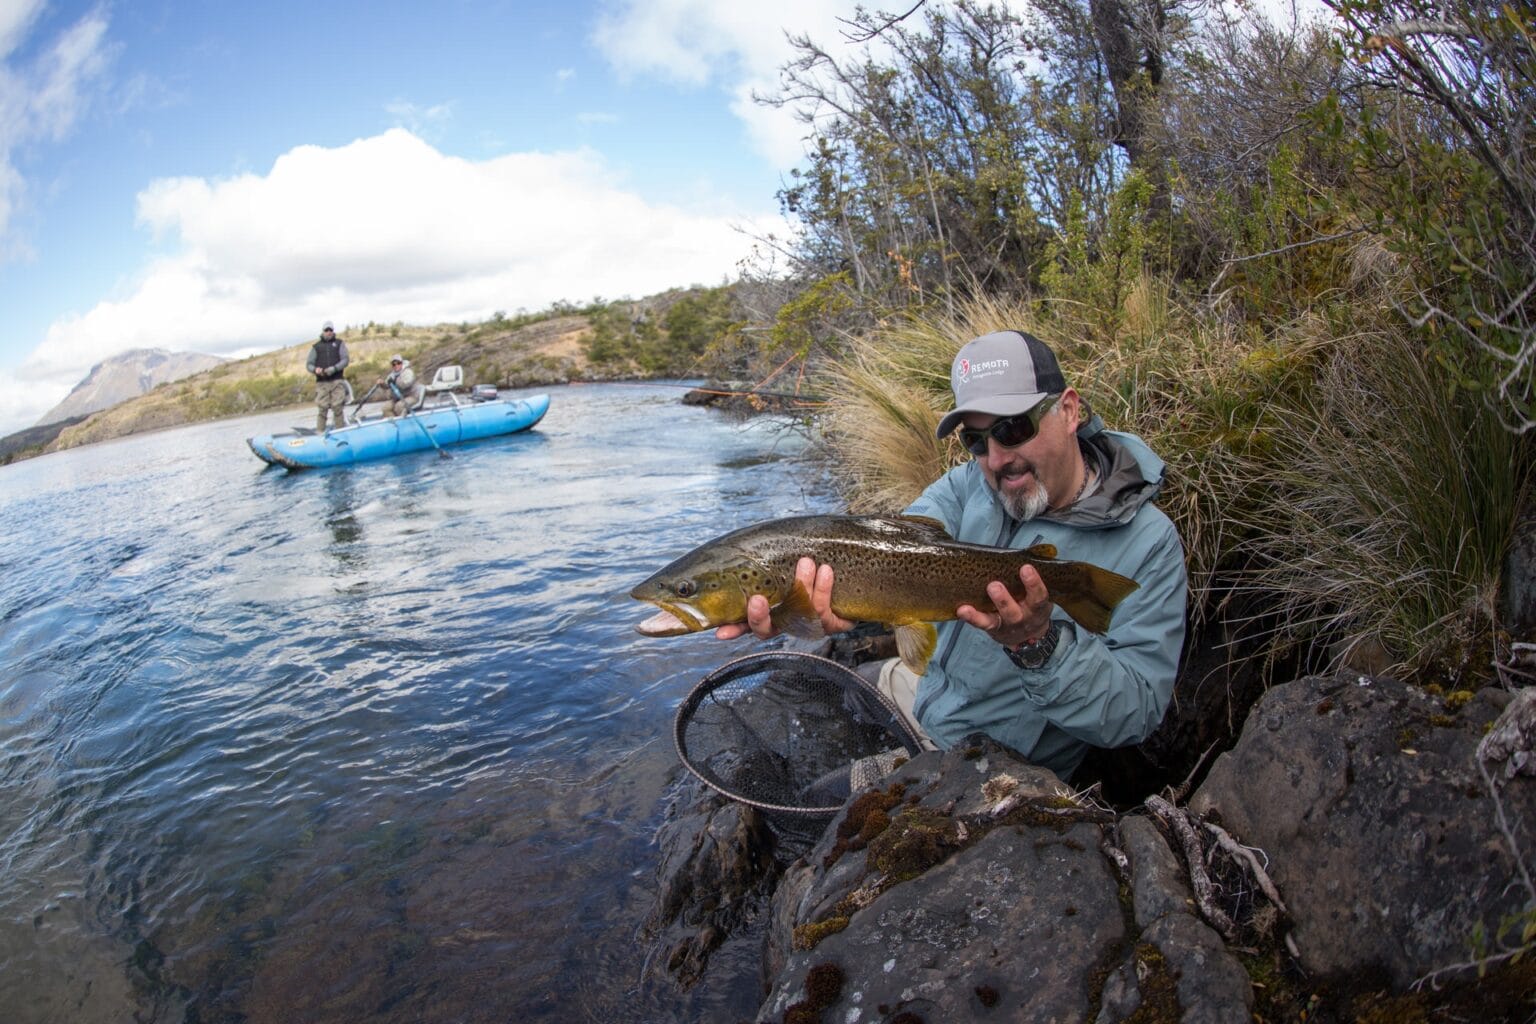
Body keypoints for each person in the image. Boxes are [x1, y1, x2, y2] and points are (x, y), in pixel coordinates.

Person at [717, 329, 1188, 779]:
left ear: (1068, 411)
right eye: (977, 440)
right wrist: (816, 607)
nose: (998, 459)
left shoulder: (1148, 544)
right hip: (928, 693)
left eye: (1014, 429)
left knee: (834, 799)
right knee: (804, 696)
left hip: (996, 763)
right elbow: (890, 554)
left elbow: (1137, 714)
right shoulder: (967, 486)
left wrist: (1039, 645)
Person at [305, 321, 350, 432]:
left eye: (331, 330)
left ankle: (341, 432)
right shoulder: (316, 347)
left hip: (337, 381)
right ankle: (320, 433)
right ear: (323, 332)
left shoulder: (340, 343)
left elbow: (345, 360)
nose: (329, 332)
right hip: (322, 383)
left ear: (333, 331)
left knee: (338, 407)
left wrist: (334, 368)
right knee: (322, 409)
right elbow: (309, 364)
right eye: (326, 330)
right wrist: (315, 370)